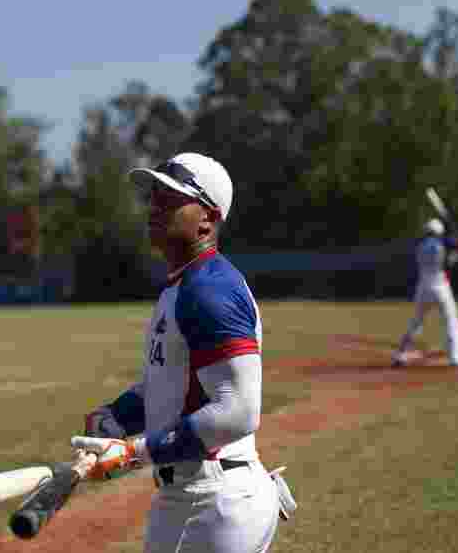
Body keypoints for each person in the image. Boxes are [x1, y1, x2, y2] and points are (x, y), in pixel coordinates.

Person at [70, 152, 293, 553]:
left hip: (211, 500)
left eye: (170, 198)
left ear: (207, 218)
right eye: (154, 197)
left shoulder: (209, 290)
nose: (154, 207)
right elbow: (172, 383)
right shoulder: (184, 286)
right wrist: (117, 418)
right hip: (201, 494)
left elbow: (239, 410)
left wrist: (133, 454)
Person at [392, 218, 458, 367]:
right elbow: (448, 263)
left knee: (416, 322)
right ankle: (456, 357)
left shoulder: (421, 245)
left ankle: (400, 354)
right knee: (451, 320)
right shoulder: (440, 244)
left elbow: (447, 249)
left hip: (423, 286)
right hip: (440, 286)